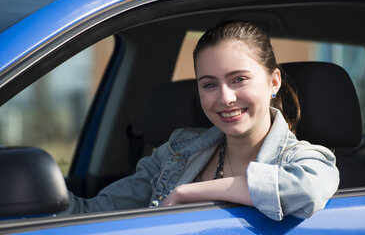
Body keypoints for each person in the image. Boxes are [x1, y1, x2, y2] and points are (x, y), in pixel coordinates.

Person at [64, 21, 339, 221]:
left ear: (273, 82)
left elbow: (308, 191)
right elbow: (97, 214)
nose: (225, 98)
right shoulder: (177, 150)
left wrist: (188, 193)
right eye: (209, 85)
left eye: (239, 79)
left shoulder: (303, 158)